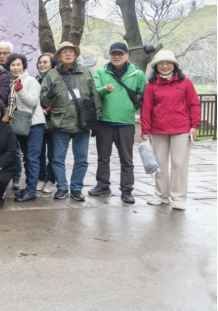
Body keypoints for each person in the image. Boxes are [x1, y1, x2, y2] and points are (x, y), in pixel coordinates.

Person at [40, 42, 101, 201]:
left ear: (75, 54)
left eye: (70, 51)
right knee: (57, 159)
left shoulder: (85, 72)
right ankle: (62, 187)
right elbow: (43, 100)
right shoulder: (52, 75)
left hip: (82, 122)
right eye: (64, 52)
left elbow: (94, 96)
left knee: (81, 159)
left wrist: (96, 119)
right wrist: (49, 97)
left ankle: (76, 188)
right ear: (59, 56)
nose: (67, 54)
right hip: (61, 122)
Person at [141, 50, 200, 211]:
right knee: (159, 163)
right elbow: (146, 108)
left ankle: (179, 197)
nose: (165, 66)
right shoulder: (151, 85)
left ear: (174, 65)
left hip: (181, 128)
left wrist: (194, 125)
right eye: (161, 63)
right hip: (158, 128)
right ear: (156, 66)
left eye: (168, 63)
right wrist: (145, 130)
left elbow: (194, 104)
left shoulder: (185, 82)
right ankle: (161, 195)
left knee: (179, 163)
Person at [89, 42, 146, 204]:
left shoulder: (138, 74)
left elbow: (143, 97)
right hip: (104, 122)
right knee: (103, 157)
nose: (117, 56)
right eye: (114, 53)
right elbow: (94, 93)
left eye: (120, 53)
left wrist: (130, 109)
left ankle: (127, 190)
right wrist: (104, 90)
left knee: (126, 159)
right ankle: (102, 186)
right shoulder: (101, 72)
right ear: (109, 55)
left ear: (127, 55)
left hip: (126, 123)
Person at [3, 53, 45, 203]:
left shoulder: (31, 81)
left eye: (18, 64)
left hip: (34, 124)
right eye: (13, 65)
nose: (16, 67)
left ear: (23, 66)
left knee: (32, 158)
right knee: (26, 158)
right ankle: (28, 188)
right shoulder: (12, 82)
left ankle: (31, 191)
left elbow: (33, 102)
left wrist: (20, 90)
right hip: (21, 124)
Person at [36, 52, 58, 194]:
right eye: (40, 62)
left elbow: (59, 98)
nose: (42, 65)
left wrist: (47, 110)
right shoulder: (36, 79)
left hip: (53, 120)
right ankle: (41, 177)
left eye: (45, 62)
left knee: (53, 154)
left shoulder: (57, 78)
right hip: (38, 121)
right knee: (39, 152)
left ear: (52, 64)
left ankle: (51, 180)